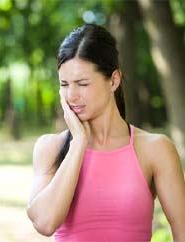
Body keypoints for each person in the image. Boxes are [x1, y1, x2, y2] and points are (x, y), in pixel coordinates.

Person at [26, 24, 185, 242]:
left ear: (113, 80)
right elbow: (45, 223)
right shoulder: (49, 148)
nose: (71, 95)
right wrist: (79, 142)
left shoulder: (154, 149)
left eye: (82, 84)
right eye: (64, 84)